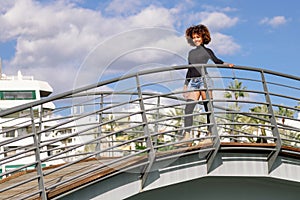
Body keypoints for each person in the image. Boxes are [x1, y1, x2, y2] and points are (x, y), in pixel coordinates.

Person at [181, 24, 233, 145]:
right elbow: (190, 69)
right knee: (188, 108)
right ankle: (187, 135)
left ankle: (210, 135)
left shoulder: (207, 51)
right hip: (194, 82)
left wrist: (227, 64)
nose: (196, 39)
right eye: (194, 37)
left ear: (203, 37)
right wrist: (185, 85)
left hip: (205, 81)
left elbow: (217, 61)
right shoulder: (191, 53)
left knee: (208, 108)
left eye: (198, 37)